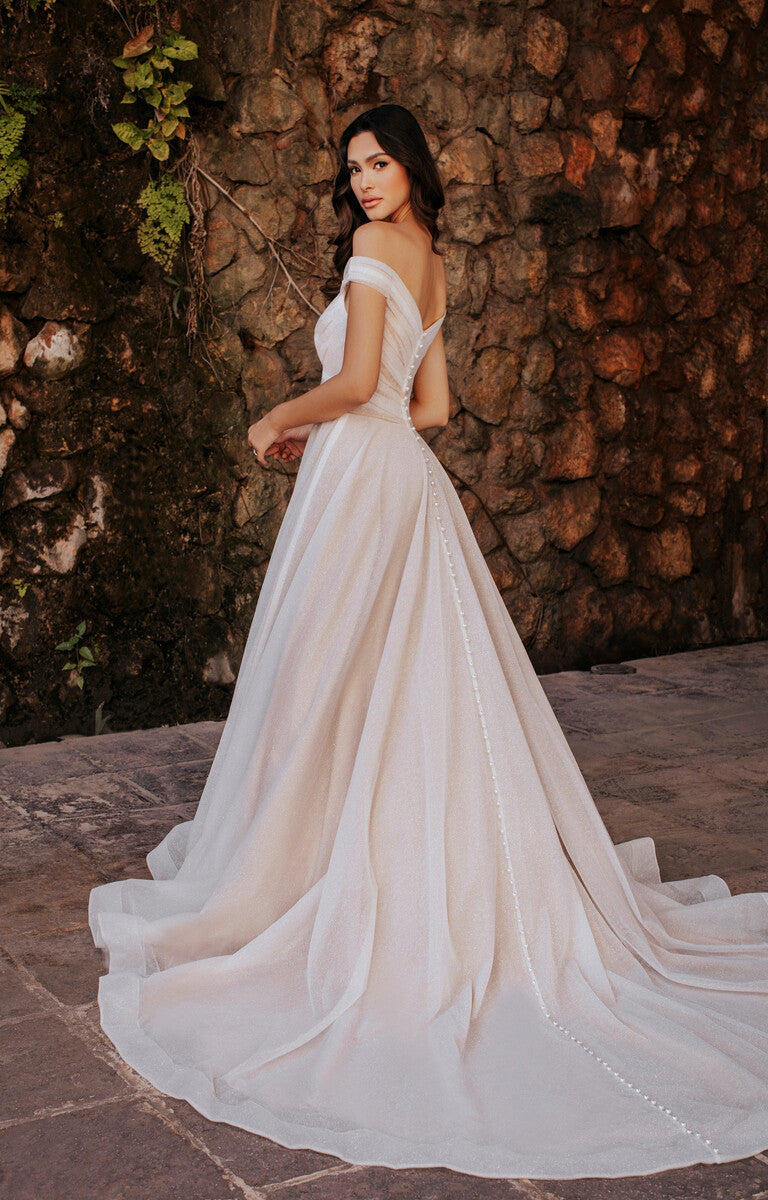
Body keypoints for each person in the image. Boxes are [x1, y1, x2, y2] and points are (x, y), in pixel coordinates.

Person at [89, 103, 768, 1181]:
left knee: (325, 685)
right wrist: (344, 422)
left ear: (411, 166)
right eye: (351, 168)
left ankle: (301, 873)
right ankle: (367, 859)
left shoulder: (369, 253)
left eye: (379, 161)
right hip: (405, 483)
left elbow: (363, 389)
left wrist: (280, 419)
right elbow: (435, 408)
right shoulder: (435, 263)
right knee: (399, 685)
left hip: (362, 485)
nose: (362, 182)